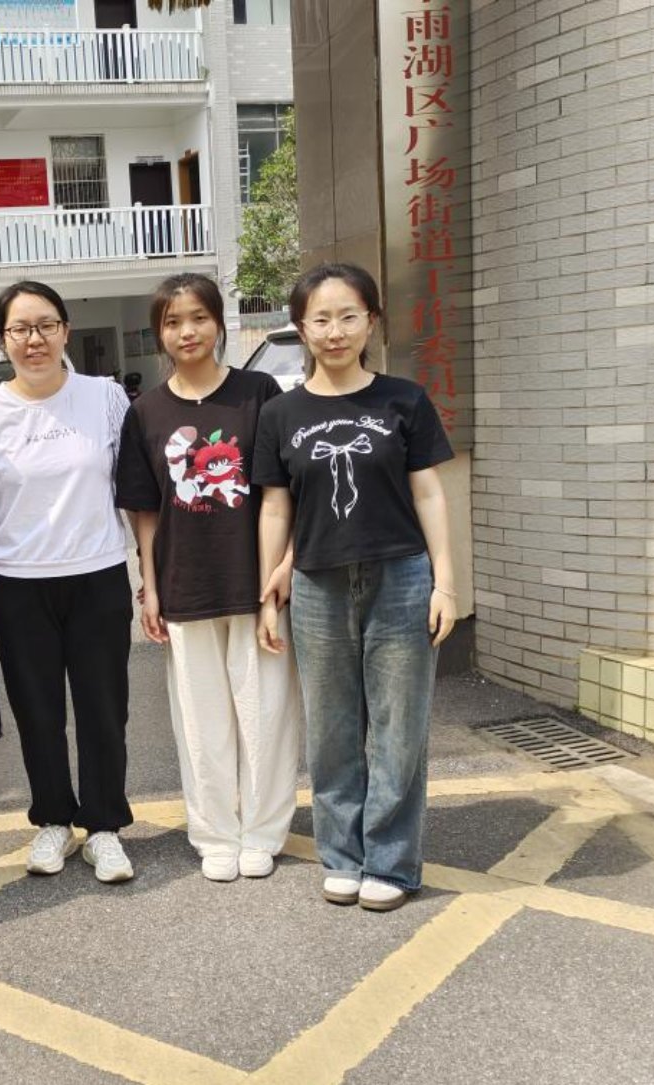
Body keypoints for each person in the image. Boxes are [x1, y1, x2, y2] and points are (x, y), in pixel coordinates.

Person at [252, 262, 456, 913]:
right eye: (320, 318)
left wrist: (445, 583)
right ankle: (342, 855)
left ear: (371, 321)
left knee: (399, 728)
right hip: (317, 585)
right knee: (332, 730)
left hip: (401, 577)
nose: (334, 331)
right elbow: (276, 507)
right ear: (300, 326)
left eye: (348, 316)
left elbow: (428, 492)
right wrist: (268, 589)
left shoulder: (404, 400)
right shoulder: (280, 412)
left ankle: (390, 862)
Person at [115, 273, 304, 882]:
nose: (187, 331)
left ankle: (263, 831)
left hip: (255, 585)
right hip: (184, 585)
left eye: (198, 317)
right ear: (160, 333)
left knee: (265, 717)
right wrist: (149, 587)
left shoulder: (259, 393)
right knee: (200, 724)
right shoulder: (145, 412)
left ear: (219, 322)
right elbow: (145, 512)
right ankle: (216, 832)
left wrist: (283, 568)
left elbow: (284, 491)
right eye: (172, 322)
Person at [0, 281, 136, 883]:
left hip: (98, 574)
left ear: (65, 331)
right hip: (18, 582)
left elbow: (132, 487)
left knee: (104, 707)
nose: (34, 340)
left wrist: (150, 568)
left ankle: (104, 826)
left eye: (46, 325)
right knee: (37, 710)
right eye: (20, 329)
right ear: (2, 340)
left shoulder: (105, 397)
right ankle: (54, 819)